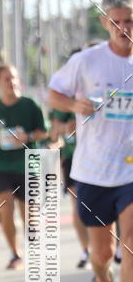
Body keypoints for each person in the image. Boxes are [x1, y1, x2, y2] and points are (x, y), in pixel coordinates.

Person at [48, 0, 133, 282]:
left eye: (129, 21)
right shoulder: (88, 61)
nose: (124, 28)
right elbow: (53, 93)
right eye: (116, 22)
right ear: (105, 23)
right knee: (101, 256)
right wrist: (74, 104)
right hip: (93, 172)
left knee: (129, 245)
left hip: (130, 171)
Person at [0, 65, 49, 269]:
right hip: (0, 166)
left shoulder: (30, 105)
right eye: (6, 79)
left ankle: (32, 230)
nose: (11, 83)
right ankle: (15, 253)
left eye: (14, 78)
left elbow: (44, 132)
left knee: (29, 214)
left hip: (27, 165)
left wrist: (27, 137)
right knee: (6, 209)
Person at [48, 105, 90, 269]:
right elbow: (54, 137)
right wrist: (61, 130)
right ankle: (86, 250)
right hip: (71, 159)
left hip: (95, 157)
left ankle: (113, 247)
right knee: (78, 204)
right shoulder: (59, 103)